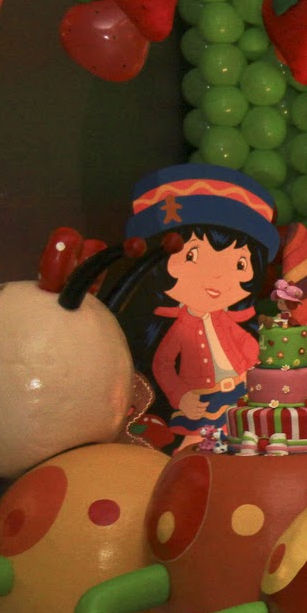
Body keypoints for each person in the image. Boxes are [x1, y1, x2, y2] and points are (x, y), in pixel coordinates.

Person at [118, 165, 278, 448]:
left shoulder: (227, 320)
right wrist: (181, 397)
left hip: (240, 395)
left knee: (247, 441)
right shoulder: (179, 325)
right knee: (194, 446)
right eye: (193, 255)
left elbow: (247, 344)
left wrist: (255, 371)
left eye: (239, 263)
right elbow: (162, 364)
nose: (217, 275)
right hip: (202, 402)